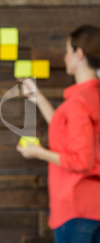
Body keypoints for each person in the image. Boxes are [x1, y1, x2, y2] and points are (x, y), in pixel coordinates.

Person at [16, 25, 100, 243]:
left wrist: (39, 153)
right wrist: (39, 98)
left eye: (67, 51)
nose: (64, 57)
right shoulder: (91, 97)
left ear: (79, 54)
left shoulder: (79, 102)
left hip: (78, 209)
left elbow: (82, 160)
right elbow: (70, 132)